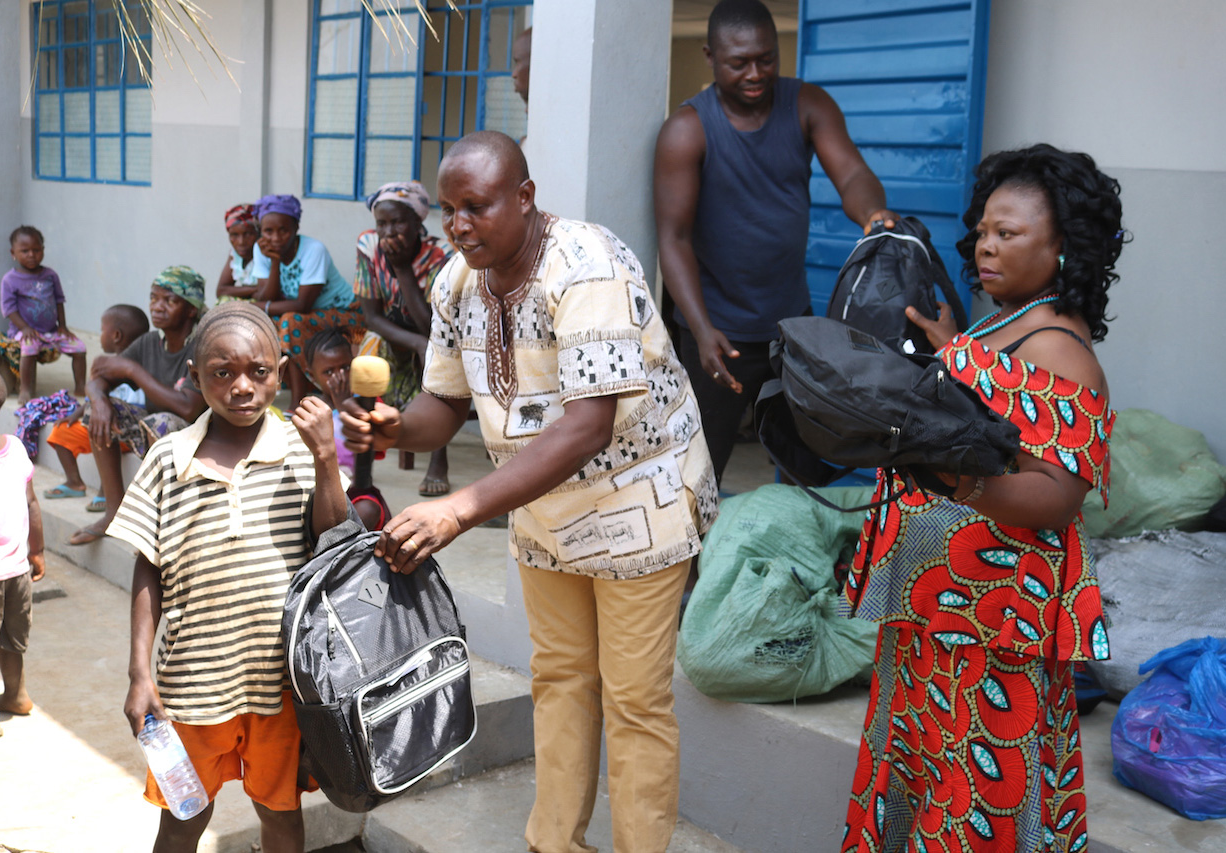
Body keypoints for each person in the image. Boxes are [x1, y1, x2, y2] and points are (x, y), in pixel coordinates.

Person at [342, 130, 718, 853]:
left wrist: (459, 506)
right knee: (561, 680)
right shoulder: (458, 281)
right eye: (450, 210)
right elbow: (445, 405)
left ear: (524, 197)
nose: (459, 225)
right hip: (542, 510)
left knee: (635, 700)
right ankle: (553, 843)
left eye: (476, 207)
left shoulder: (588, 265)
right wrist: (392, 429)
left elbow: (588, 427)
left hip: (640, 502)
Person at [839, 144, 1124, 852]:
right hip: (939, 611)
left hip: (991, 629)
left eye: (1009, 234)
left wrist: (951, 478)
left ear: (1063, 247)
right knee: (929, 775)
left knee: (975, 793)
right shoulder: (1005, 322)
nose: (985, 247)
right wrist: (949, 345)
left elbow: (1057, 494)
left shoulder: (1061, 349)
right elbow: (988, 399)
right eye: (985, 232)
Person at [109, 301, 348, 853]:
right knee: (184, 817)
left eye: (258, 372)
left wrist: (326, 457)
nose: (243, 387)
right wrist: (139, 673)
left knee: (281, 814)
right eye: (223, 373)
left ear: (281, 370)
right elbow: (149, 567)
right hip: (191, 687)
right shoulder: (170, 459)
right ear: (194, 376)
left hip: (279, 687)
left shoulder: (297, 449)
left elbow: (333, 539)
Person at [654, 0, 897, 484]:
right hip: (717, 333)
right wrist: (701, 330)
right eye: (738, 62)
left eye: (766, 58)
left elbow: (850, 174)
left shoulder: (808, 104)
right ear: (710, 56)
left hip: (790, 325)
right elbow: (673, 237)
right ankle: (693, 564)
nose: (754, 72)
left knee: (804, 461)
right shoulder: (687, 130)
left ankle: (798, 554)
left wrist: (873, 213)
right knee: (699, 470)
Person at [68, 267, 208, 546]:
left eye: (170, 300)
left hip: (201, 438)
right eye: (154, 298)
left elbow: (188, 408)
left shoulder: (202, 345)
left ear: (191, 309)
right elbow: (98, 381)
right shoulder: (148, 342)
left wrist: (133, 371)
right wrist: (98, 403)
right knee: (98, 409)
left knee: (163, 421)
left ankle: (165, 524)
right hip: (156, 434)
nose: (157, 307)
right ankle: (114, 511)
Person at [353, 180, 453, 496]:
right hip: (390, 331)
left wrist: (401, 269)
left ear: (417, 222)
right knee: (366, 357)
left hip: (431, 334)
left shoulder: (441, 255)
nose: (388, 231)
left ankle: (439, 458)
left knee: (437, 356)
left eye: (397, 222)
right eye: (381, 223)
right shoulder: (368, 246)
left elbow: (430, 327)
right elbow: (371, 316)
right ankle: (362, 459)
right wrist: (413, 343)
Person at [250, 194, 362, 409]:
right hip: (306, 315)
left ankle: (297, 403)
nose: (275, 238)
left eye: (283, 230)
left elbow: (303, 305)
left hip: (346, 312)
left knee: (290, 323)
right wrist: (275, 261)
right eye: (268, 231)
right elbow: (267, 296)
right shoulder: (262, 249)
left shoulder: (313, 250)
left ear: (296, 227)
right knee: (264, 324)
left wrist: (260, 307)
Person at [42, 304, 150, 510]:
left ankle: (106, 492)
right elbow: (96, 397)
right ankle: (74, 481)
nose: (100, 335)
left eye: (101, 330)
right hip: (100, 423)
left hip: (125, 430)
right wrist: (79, 412)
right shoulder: (105, 365)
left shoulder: (140, 365)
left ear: (116, 335)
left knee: (107, 434)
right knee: (60, 431)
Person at [304, 325, 390, 531]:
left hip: (356, 489)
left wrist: (345, 406)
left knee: (368, 511)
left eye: (345, 368)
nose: (339, 377)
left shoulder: (367, 404)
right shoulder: (311, 411)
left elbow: (369, 451)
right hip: (320, 493)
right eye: (328, 372)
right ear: (312, 376)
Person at [0, 377, 46, 739]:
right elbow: (32, 503)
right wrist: (38, 552)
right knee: (12, 639)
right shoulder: (15, 448)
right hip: (17, 569)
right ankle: (16, 696)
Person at [1, 225, 87, 405]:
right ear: (13, 253)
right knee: (29, 349)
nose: (31, 255)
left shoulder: (50, 275)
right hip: (25, 331)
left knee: (79, 348)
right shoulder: (10, 279)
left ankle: (81, 386)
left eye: (36, 250)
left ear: (43, 250)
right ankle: (25, 389)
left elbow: (59, 301)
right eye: (25, 251)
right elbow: (9, 309)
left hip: (52, 331)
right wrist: (24, 327)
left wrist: (62, 326)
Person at [215, 203, 260, 304]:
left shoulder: (265, 255)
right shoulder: (234, 255)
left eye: (248, 234)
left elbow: (264, 295)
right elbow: (221, 291)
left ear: (258, 233)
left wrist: (240, 291)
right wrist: (254, 289)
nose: (241, 242)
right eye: (234, 235)